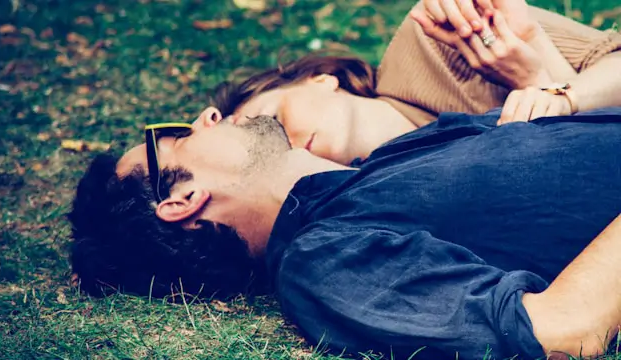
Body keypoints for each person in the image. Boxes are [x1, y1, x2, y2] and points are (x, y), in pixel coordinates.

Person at [69, 107, 621, 359]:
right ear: (180, 199)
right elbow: (560, 332)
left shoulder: (378, 163)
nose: (210, 114)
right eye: (176, 136)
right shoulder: (323, 260)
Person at [208, 0, 621, 165]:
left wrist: (543, 68)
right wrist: (533, 78)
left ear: (320, 79)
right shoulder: (387, 194)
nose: (289, 145)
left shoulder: (435, 37)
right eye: (271, 151)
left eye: (275, 121)